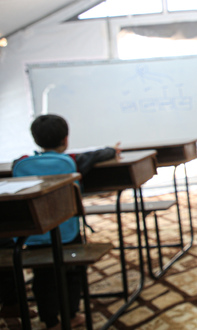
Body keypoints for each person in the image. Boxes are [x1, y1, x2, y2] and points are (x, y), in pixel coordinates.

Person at [12, 114, 119, 330]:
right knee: (72, 271)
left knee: (42, 276)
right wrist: (113, 150)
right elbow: (100, 154)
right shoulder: (73, 161)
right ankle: (71, 315)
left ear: (36, 139)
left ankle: (50, 321)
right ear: (66, 139)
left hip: (33, 236)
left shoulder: (20, 163)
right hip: (66, 234)